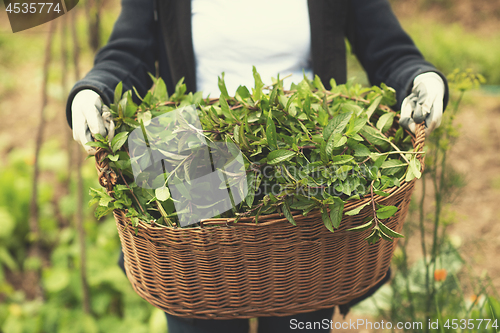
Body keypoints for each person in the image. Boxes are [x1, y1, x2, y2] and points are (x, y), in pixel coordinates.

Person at [67, 0, 448, 332]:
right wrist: (93, 89)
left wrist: (420, 77)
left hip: (306, 161)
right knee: (200, 313)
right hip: (194, 154)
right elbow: (128, 50)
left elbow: (386, 46)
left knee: (298, 314)